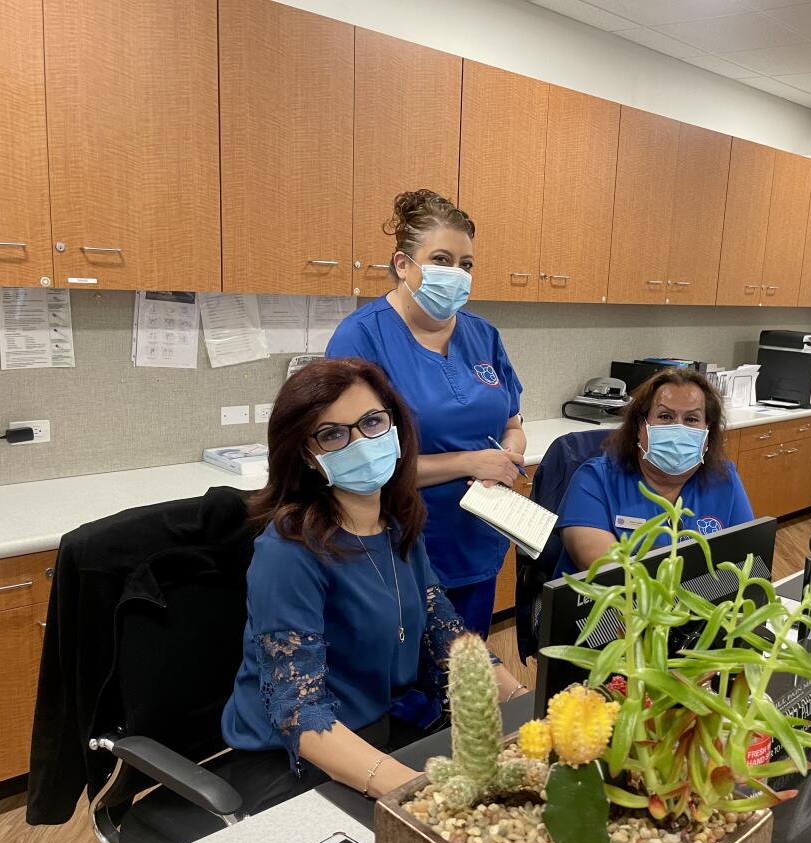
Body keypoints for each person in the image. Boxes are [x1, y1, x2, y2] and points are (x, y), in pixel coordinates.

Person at [221, 359, 527, 806]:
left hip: (378, 727)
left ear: (395, 425)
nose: (360, 442)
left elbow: (445, 633)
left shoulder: (397, 523)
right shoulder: (288, 552)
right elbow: (298, 710)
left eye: (371, 422)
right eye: (333, 434)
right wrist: (414, 792)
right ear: (308, 455)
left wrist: (525, 704)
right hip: (294, 754)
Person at [326, 190, 526, 637]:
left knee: (466, 675)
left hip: (478, 539)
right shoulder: (361, 339)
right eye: (441, 258)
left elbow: (512, 423)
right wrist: (471, 462)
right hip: (400, 548)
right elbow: (355, 465)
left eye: (466, 264)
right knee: (410, 689)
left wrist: (508, 456)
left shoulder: (482, 335)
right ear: (403, 264)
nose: (456, 274)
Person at [556, 367, 754, 576]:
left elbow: (749, 561)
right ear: (641, 427)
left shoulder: (724, 480)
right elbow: (606, 572)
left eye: (692, 419)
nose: (679, 429)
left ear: (707, 434)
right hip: (615, 606)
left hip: (704, 605)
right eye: (665, 416)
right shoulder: (594, 480)